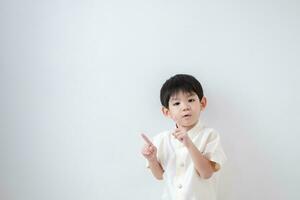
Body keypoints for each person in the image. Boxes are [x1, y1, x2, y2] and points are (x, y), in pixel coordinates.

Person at [141, 74, 227, 200]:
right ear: (167, 112)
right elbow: (160, 176)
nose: (185, 107)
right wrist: (152, 159)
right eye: (176, 103)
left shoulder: (210, 135)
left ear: (202, 103)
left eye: (191, 100)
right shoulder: (162, 139)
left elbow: (206, 173)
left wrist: (189, 143)